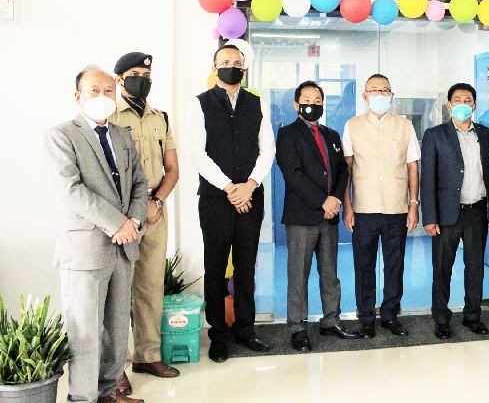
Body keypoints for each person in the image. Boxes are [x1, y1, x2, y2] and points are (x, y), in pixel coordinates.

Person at [44, 67, 148, 403]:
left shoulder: (122, 135)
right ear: (78, 96)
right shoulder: (61, 135)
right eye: (94, 90)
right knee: (85, 332)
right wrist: (117, 223)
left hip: (124, 247)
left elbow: (139, 184)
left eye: (108, 90)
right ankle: (82, 398)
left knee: (117, 331)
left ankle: (108, 393)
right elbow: (72, 190)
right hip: (86, 249)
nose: (103, 97)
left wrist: (132, 220)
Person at [186, 45, 275, 363]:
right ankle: (219, 335)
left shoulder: (256, 102)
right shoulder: (200, 104)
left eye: (237, 63)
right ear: (214, 66)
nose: (231, 67)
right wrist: (229, 188)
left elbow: (267, 149)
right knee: (215, 267)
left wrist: (249, 186)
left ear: (244, 68)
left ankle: (245, 329)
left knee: (247, 266)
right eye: (225, 62)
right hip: (215, 199)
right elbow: (197, 153)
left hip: (251, 197)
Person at [108, 53, 180, 395]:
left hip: (154, 210)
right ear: (119, 78)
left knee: (151, 287)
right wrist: (131, 213)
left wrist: (158, 202)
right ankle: (116, 367)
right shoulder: (108, 115)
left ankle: (147, 355)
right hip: (122, 215)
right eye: (135, 73)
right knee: (119, 292)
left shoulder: (160, 118)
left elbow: (173, 168)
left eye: (147, 73)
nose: (142, 78)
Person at [275, 81, 360, 352]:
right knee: (298, 274)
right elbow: (293, 174)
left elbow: (342, 171)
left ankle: (331, 320)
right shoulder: (287, 134)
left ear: (323, 103)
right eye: (307, 98)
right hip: (303, 216)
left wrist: (335, 199)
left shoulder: (332, 135)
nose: (313, 102)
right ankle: (297, 327)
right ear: (296, 104)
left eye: (318, 98)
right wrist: (323, 201)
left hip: (330, 216)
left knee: (330, 272)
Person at [420, 83, 489, 339]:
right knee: (442, 268)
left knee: (475, 267)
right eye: (458, 100)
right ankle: (442, 320)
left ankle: (472, 316)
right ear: (450, 105)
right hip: (446, 214)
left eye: (468, 100)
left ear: (475, 105)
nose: (463, 104)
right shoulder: (435, 135)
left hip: (477, 212)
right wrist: (430, 217)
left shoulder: (487, 134)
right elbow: (428, 179)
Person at [342, 74, 420, 338]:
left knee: (394, 264)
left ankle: (389, 315)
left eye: (384, 90)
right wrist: (348, 206)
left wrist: (413, 204)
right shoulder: (352, 126)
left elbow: (412, 166)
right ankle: (365, 317)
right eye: (374, 91)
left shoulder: (405, 125)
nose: (380, 95)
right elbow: (347, 169)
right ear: (365, 96)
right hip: (363, 208)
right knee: (363, 265)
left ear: (391, 95)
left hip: (397, 207)